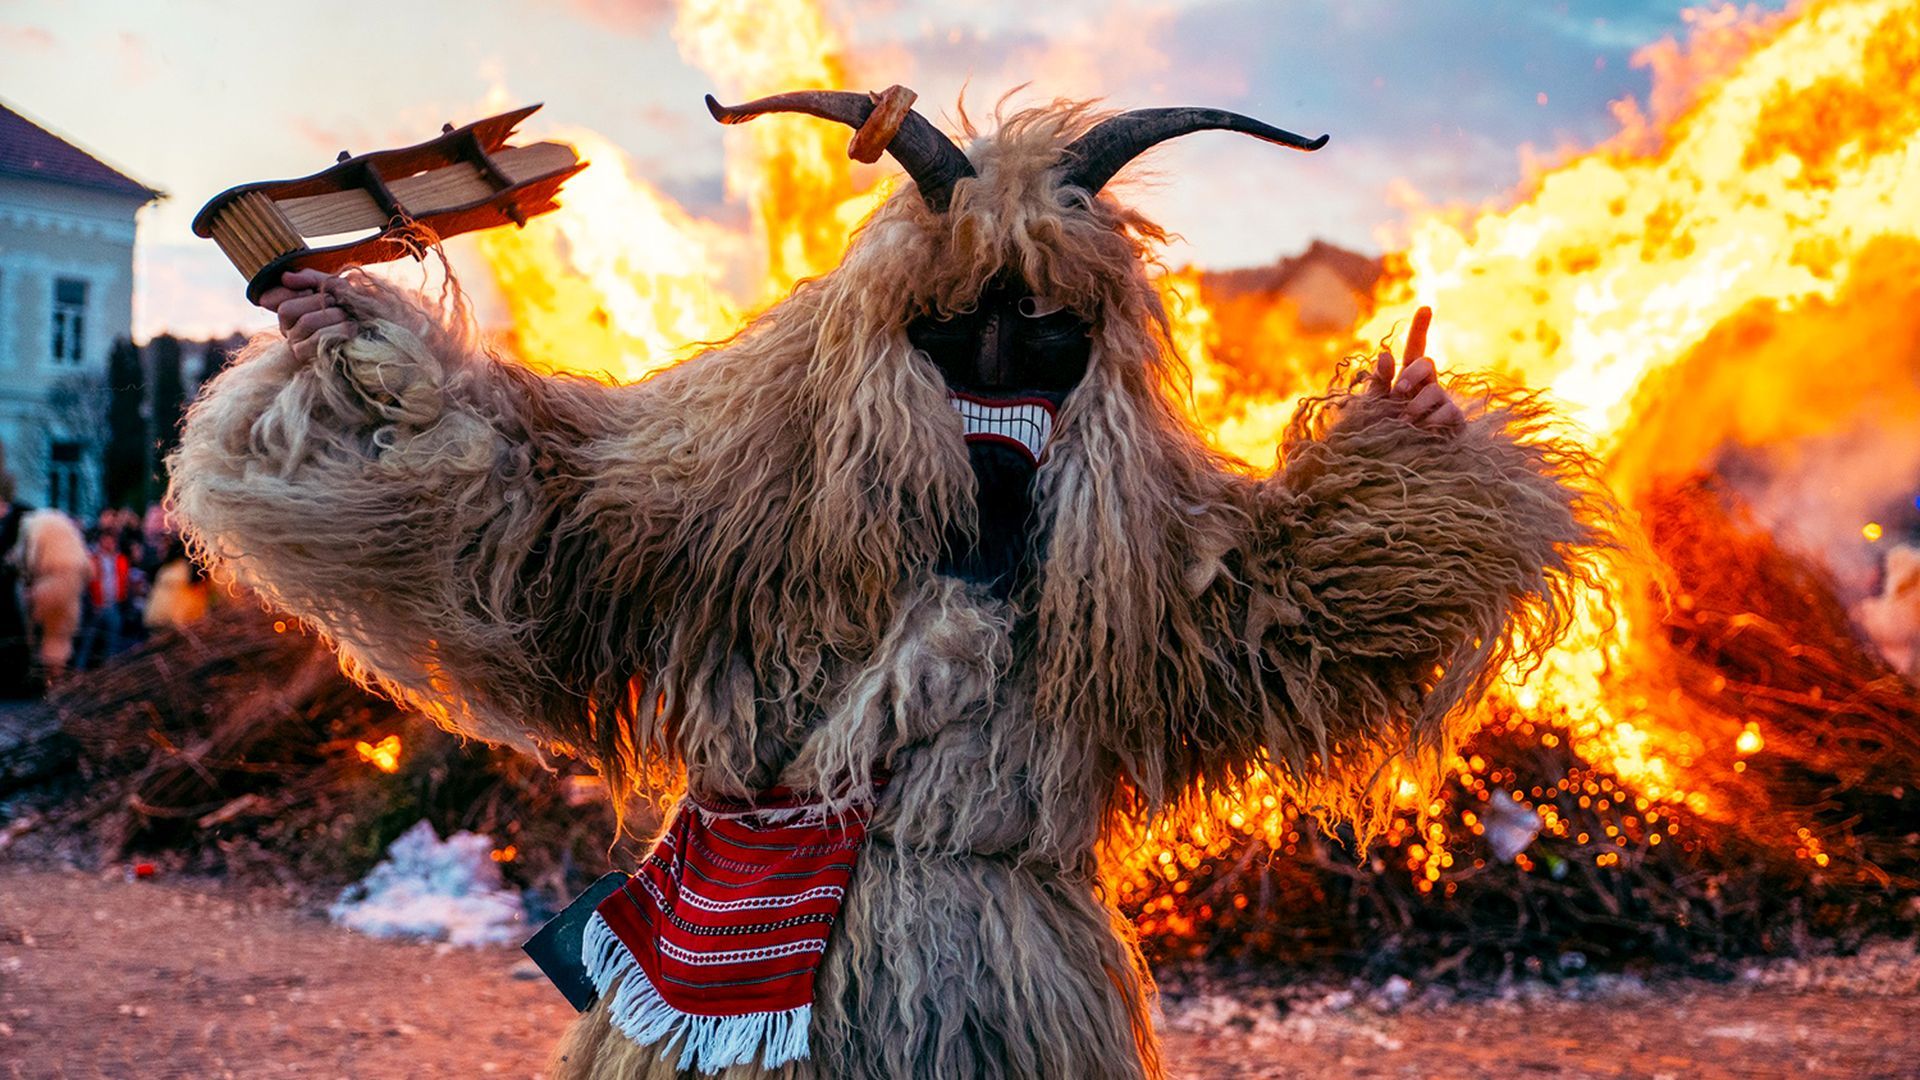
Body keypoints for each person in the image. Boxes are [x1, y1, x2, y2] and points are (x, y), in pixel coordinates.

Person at [170, 92, 1606, 1079]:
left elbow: (1282, 624)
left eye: (1044, 337)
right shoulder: (727, 495)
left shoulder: (1136, 544)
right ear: (876, 344)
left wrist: (1402, 477)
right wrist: (372, 362)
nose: (998, 372)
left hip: (1005, 985)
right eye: (949, 335)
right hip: (728, 983)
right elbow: (534, 504)